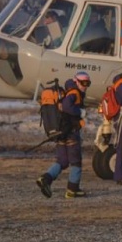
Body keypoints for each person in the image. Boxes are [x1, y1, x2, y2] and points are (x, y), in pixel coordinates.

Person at [36, 71, 91, 199]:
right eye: (83, 82)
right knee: (76, 161)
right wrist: (80, 112)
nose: (85, 85)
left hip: (61, 133)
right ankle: (73, 189)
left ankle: (45, 178)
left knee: (63, 161)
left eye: (88, 83)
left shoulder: (66, 92)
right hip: (71, 133)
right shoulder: (74, 93)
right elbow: (66, 107)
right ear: (76, 81)